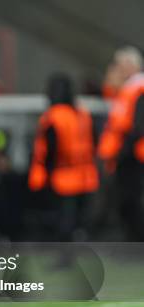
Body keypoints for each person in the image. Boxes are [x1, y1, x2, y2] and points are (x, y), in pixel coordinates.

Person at [28, 74, 99, 241]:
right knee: (77, 218)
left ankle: (64, 255)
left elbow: (50, 149)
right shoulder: (82, 114)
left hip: (62, 175)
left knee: (63, 219)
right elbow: (94, 141)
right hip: (86, 174)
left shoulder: (54, 116)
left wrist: (45, 174)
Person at [97, 46, 144, 240]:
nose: (115, 69)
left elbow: (137, 126)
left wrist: (122, 151)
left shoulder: (139, 88)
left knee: (132, 201)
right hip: (128, 154)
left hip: (134, 155)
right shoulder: (128, 89)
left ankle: (136, 244)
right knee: (126, 202)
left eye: (119, 65)